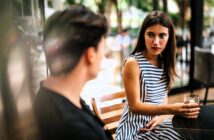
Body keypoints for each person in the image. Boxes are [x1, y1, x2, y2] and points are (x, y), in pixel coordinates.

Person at [115, 11, 200, 140]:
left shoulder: (165, 62)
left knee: (192, 133)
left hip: (157, 124)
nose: (156, 42)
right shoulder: (133, 63)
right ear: (143, 35)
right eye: (150, 35)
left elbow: (163, 97)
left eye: (162, 36)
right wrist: (171, 109)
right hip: (133, 131)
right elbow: (134, 106)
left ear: (169, 37)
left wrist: (160, 117)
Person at [33, 4, 112, 140]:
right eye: (103, 47)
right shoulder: (77, 130)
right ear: (90, 54)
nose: (104, 54)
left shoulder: (50, 96)